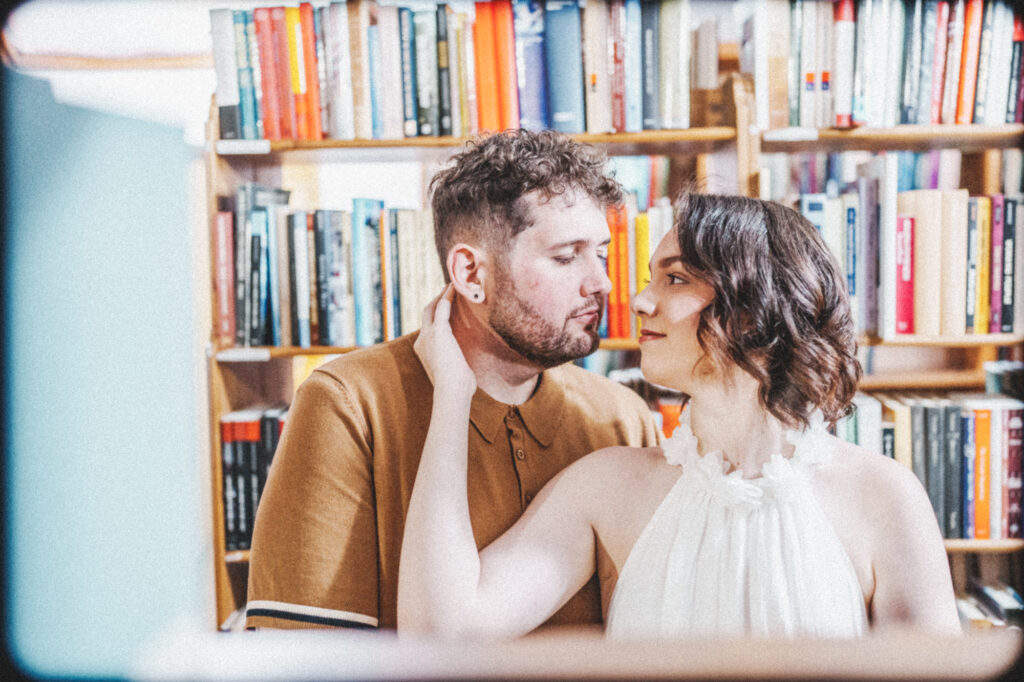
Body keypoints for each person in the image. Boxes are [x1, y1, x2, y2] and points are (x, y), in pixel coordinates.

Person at [399, 192, 962, 639]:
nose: (639, 300)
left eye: (674, 278)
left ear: (753, 306)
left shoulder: (885, 498)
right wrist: (454, 393)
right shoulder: (606, 487)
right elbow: (442, 632)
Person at [244, 130, 661, 631]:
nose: (602, 283)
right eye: (567, 256)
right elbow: (307, 660)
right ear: (470, 273)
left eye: (602, 253)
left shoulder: (622, 416)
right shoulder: (348, 405)